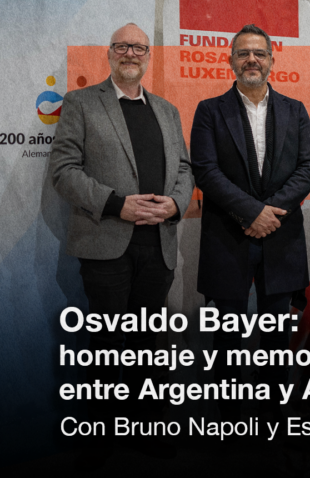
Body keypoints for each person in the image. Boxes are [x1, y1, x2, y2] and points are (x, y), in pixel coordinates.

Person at [50, 23, 194, 463]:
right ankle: (103, 444)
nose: (130, 53)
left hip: (158, 247)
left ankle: (147, 435)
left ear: (148, 55)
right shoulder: (80, 103)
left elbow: (184, 169)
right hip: (106, 246)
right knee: (108, 350)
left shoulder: (167, 110)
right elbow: (63, 171)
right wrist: (117, 205)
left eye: (138, 47)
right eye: (122, 46)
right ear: (110, 53)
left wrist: (175, 204)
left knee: (150, 348)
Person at [190, 24, 310, 419]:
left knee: (277, 340)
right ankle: (229, 423)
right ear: (230, 60)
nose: (252, 60)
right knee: (226, 338)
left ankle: (273, 420)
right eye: (243, 53)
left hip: (280, 240)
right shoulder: (210, 111)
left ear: (271, 61)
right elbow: (206, 171)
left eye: (259, 53)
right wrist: (251, 213)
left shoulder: (295, 110)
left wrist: (268, 214)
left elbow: (308, 168)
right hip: (228, 238)